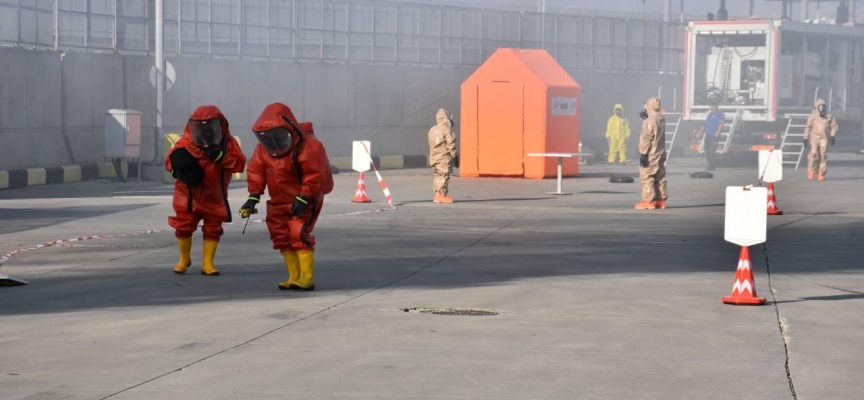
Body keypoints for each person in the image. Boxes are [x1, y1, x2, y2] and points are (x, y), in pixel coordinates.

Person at [241, 103, 333, 291]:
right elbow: (256, 171)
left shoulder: (308, 146)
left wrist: (304, 196)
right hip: (278, 200)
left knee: (298, 232)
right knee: (280, 235)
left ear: (288, 129)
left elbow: (314, 173)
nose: (272, 142)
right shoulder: (263, 149)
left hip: (304, 198)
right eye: (267, 138)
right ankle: (293, 277)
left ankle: (306, 278)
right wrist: (253, 197)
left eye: (276, 136)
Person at [166, 105, 246, 276]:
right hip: (188, 193)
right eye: (200, 126)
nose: (205, 131)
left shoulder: (227, 143)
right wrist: (176, 170)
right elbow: (171, 159)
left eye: (209, 126)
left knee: (213, 228)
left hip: (214, 193)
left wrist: (220, 156)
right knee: (183, 226)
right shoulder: (186, 141)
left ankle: (207, 263)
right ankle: (184, 259)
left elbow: (239, 164)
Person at [635, 98, 668, 210]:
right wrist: (646, 117)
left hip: (651, 152)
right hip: (660, 151)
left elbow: (648, 137)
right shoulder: (661, 118)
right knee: (660, 175)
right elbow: (656, 127)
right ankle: (661, 200)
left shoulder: (648, 121)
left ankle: (649, 200)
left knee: (647, 176)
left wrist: (644, 153)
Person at [803, 98, 839, 181]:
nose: (822, 108)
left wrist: (833, 136)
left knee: (823, 155)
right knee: (814, 153)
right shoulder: (813, 117)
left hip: (824, 138)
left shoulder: (829, 117)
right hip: (814, 137)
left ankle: (820, 173)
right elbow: (808, 127)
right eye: (820, 106)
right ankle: (811, 171)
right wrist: (805, 138)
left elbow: (833, 126)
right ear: (817, 107)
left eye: (823, 106)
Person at [428, 108, 457, 203]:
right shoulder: (446, 129)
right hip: (443, 156)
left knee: (438, 175)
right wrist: (455, 156)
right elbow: (450, 143)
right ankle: (441, 195)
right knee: (444, 175)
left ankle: (437, 194)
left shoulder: (432, 129)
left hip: (434, 156)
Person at [700, 102, 725, 171]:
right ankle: (710, 164)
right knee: (706, 150)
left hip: (713, 135)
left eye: (714, 107)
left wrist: (718, 131)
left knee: (711, 150)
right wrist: (701, 131)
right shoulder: (709, 114)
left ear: (716, 107)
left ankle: (712, 165)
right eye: (711, 107)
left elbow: (721, 124)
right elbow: (705, 123)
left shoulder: (720, 115)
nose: (712, 109)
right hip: (707, 134)